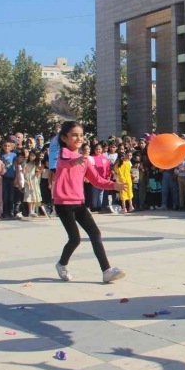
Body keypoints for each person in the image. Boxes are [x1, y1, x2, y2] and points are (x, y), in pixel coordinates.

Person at [53, 121, 126, 283]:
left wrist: (114, 185)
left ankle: (106, 270)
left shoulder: (85, 160)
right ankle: (62, 264)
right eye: (74, 135)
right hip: (63, 203)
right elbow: (65, 161)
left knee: (95, 233)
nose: (78, 138)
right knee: (75, 238)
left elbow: (97, 180)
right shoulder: (63, 153)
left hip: (79, 203)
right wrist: (75, 161)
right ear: (64, 138)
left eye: (80, 135)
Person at [0, 140, 17, 219]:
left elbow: (16, 166)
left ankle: (11, 212)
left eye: (8, 146)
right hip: (4, 178)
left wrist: (16, 177)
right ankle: (5, 212)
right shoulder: (2, 155)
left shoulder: (14, 155)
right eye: (5, 146)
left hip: (11, 177)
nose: (7, 147)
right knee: (5, 196)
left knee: (11, 196)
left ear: (11, 147)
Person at [24, 149, 42, 217]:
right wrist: (25, 180)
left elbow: (37, 173)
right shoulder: (26, 163)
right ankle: (30, 211)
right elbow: (24, 173)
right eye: (31, 155)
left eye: (33, 156)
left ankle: (33, 211)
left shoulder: (36, 164)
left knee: (34, 195)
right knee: (29, 195)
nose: (32, 157)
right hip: (28, 179)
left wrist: (39, 171)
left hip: (34, 180)